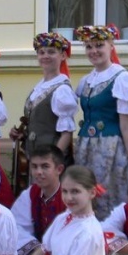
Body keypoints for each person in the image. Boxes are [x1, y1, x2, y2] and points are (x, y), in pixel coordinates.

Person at [73, 25, 128, 216]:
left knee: (110, 199)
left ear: (111, 46)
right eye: (89, 47)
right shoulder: (86, 81)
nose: (93, 51)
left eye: (99, 45)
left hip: (112, 149)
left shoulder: (121, 79)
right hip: (86, 148)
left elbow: (127, 126)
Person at [10, 32, 77, 161]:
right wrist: (21, 134)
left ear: (63, 55)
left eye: (51, 52)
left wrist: (52, 161)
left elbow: (67, 133)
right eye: (41, 52)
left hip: (51, 160)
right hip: (35, 156)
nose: (46, 56)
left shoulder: (62, 90)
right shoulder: (40, 87)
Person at [11, 145, 66, 255]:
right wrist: (36, 248)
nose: (38, 172)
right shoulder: (30, 194)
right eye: (34, 167)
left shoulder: (69, 197)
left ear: (59, 169)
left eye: (45, 166)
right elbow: (16, 226)